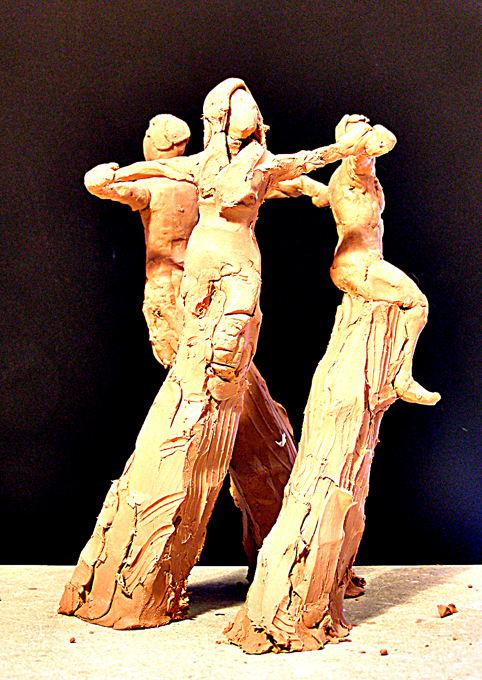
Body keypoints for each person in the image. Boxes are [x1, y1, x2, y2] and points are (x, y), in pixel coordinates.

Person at [60, 79, 362, 629]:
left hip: (231, 281)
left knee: (220, 393)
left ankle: (280, 560)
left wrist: (340, 157)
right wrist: (112, 176)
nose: (247, 117)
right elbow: (162, 173)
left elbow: (292, 167)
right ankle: (146, 574)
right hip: (192, 291)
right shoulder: (194, 169)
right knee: (226, 408)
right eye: (237, 110)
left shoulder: (250, 164)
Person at [277, 114, 440, 406]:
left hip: (371, 262)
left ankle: (396, 375)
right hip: (355, 266)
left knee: (410, 305)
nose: (364, 147)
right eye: (356, 142)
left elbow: (322, 194)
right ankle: (403, 379)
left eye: (364, 137)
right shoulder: (349, 175)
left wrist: (307, 187)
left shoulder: (367, 181)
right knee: (418, 303)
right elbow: (380, 143)